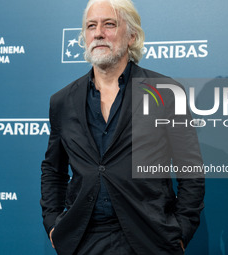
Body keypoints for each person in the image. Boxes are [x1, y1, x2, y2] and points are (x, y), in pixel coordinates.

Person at [40, 0, 205, 254]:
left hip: (149, 238)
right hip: (83, 240)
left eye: (109, 24)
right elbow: (54, 169)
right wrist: (53, 222)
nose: (98, 33)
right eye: (91, 26)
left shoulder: (165, 93)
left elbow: (190, 170)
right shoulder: (62, 101)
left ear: (132, 36)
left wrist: (181, 230)